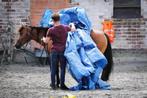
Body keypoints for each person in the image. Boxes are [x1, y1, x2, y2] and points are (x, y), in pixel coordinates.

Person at [43, 13, 75, 90]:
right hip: (63, 51)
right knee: (63, 68)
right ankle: (62, 85)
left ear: (53, 20)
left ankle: (53, 85)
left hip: (54, 51)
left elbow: (46, 42)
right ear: (59, 19)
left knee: (53, 68)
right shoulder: (65, 28)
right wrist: (72, 24)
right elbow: (74, 30)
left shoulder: (50, 30)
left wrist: (43, 39)